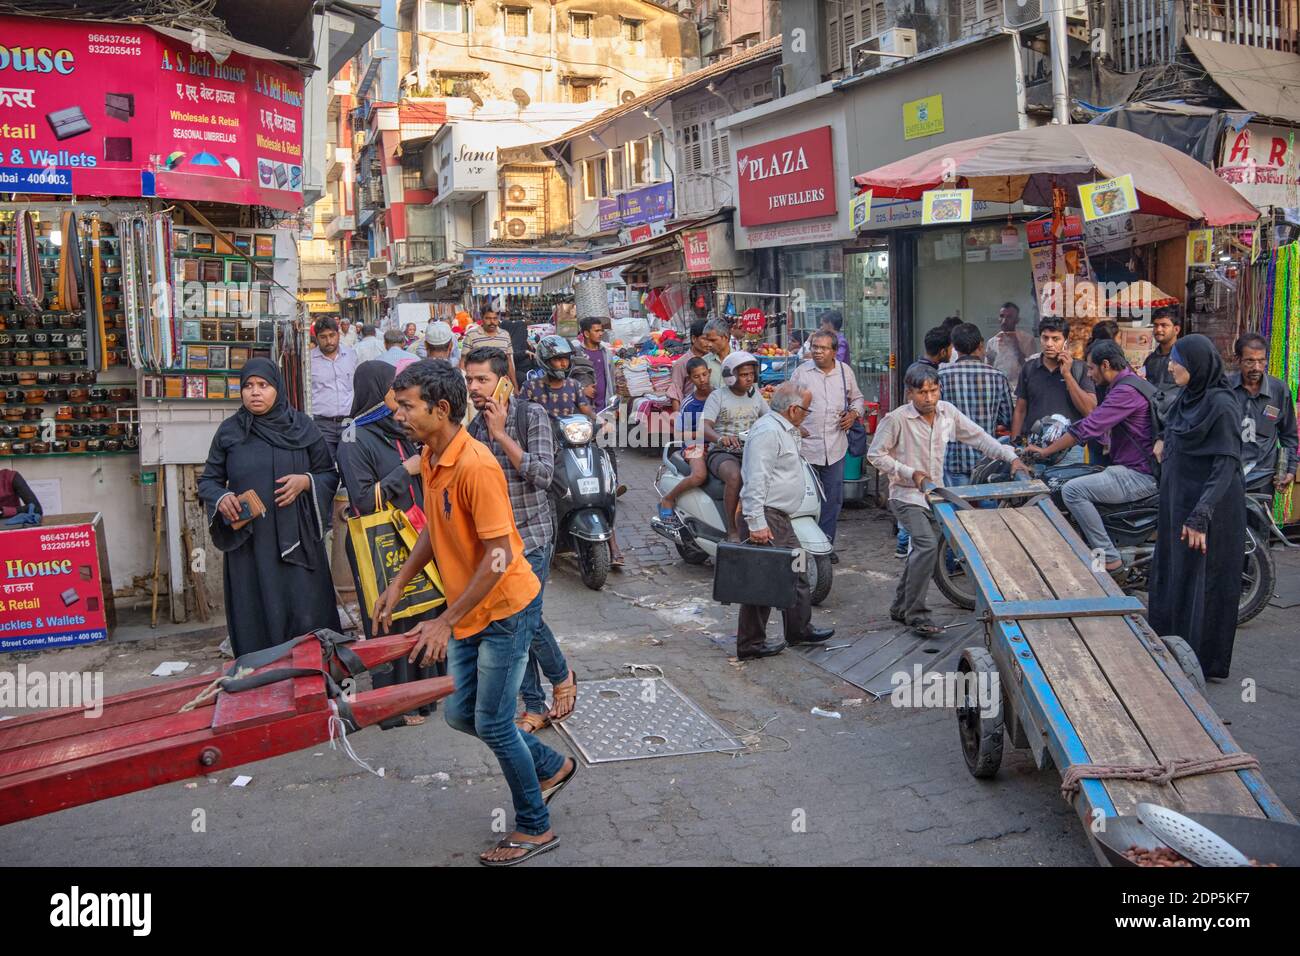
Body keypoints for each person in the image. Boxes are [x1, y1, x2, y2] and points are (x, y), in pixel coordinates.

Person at [377, 359, 576, 866]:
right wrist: (399, 583)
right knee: (461, 714)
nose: (398, 413)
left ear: (441, 409)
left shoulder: (476, 464)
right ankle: (550, 766)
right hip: (470, 608)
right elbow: (434, 530)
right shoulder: (431, 454)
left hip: (506, 608)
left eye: (407, 406)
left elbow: (500, 556)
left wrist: (443, 620)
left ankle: (535, 826)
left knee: (491, 722)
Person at [463, 346, 578, 735]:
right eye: (470, 380)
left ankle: (545, 692)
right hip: (498, 543)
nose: (475, 388)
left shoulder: (532, 416)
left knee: (520, 620)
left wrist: (501, 436)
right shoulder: (475, 426)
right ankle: (544, 692)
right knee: (518, 620)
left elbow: (544, 474)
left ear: (504, 383)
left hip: (532, 535)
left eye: (482, 379)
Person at [868, 363, 1028, 636]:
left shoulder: (947, 414)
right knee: (927, 546)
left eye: (933, 391)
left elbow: (979, 438)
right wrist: (909, 472)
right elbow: (876, 455)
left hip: (935, 494)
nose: (929, 398)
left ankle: (899, 606)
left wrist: (1011, 458)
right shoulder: (896, 419)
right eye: (922, 393)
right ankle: (917, 614)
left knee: (922, 550)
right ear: (910, 393)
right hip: (906, 495)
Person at [198, 359, 341, 656]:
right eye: (248, 386)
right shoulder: (230, 432)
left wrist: (305, 482)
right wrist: (222, 498)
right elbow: (209, 481)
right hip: (251, 546)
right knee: (256, 614)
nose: (255, 393)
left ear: (278, 388)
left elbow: (329, 473)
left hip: (298, 545)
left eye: (263, 386)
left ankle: (313, 678)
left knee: (305, 612)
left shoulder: (302, 427)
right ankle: (261, 682)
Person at [335, 360, 441, 728]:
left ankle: (424, 695)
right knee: (387, 618)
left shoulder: (397, 429)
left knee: (422, 611)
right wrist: (405, 471)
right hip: (378, 543)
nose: (397, 399)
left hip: (414, 534)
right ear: (373, 391)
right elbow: (363, 501)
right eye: (390, 391)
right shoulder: (352, 435)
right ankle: (392, 709)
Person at [1148, 335, 1246, 680]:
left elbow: (1225, 463)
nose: (1172, 366)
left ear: (1197, 365)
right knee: (1175, 572)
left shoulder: (1222, 404)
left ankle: (1201, 660)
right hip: (1179, 502)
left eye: (1178, 361)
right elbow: (1169, 431)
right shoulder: (1186, 398)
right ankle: (1171, 648)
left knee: (1204, 581)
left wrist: (1201, 515)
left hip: (1210, 508)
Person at [1026, 340, 1157, 573]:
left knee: (1072, 490)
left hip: (1139, 475)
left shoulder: (1125, 391)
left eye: (1091, 368)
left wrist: (1046, 450)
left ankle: (1108, 556)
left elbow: (1087, 427)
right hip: (1135, 468)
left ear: (1105, 365)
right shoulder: (1132, 384)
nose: (1089, 373)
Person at [734, 382, 836, 660]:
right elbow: (756, 479)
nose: (807, 414)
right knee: (764, 580)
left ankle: (798, 629)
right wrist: (756, 523)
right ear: (793, 409)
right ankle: (751, 644)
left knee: (797, 569)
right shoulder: (768, 432)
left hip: (779, 517)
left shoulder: (782, 429)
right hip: (767, 516)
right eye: (806, 410)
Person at [789, 328, 864, 554]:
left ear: (833, 351)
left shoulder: (845, 372)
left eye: (823, 348)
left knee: (832, 501)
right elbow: (786, 403)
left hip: (835, 447)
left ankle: (825, 547)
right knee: (804, 499)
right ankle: (804, 545)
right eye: (814, 348)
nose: (818, 352)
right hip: (806, 448)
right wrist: (795, 426)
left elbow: (857, 398)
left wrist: (853, 414)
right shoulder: (801, 373)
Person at [1011, 316, 1096, 463]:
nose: (1049, 344)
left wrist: (1067, 375)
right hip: (1033, 447)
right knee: (1036, 486)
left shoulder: (1080, 368)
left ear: (1066, 341)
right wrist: (1014, 445)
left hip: (1069, 451)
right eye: (1045, 338)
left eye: (1055, 339)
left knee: (1069, 487)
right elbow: (1020, 410)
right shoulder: (1029, 368)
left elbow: (1089, 410)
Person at [701, 350, 767, 540]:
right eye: (744, 375)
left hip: (751, 450)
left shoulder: (756, 395)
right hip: (722, 452)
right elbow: (705, 426)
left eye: (751, 374)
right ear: (731, 376)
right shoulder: (718, 396)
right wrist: (721, 439)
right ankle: (732, 528)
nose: (749, 379)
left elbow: (769, 417)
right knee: (735, 476)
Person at [938, 323, 1013, 487]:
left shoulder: (941, 376)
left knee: (957, 508)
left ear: (954, 348)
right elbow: (1008, 418)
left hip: (953, 458)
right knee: (988, 510)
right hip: (988, 460)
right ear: (981, 344)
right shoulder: (997, 377)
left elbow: (936, 419)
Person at [1230, 332, 1298, 493]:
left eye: (1261, 361)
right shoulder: (1224, 389)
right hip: (1228, 476)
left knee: (1260, 518)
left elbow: (1289, 435)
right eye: (1249, 361)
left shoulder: (1279, 390)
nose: (1256, 367)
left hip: (1263, 480)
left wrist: (1290, 469)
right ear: (1237, 360)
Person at [657, 357, 714, 523]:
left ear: (709, 373)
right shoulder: (689, 403)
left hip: (718, 444)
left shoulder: (719, 395)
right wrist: (705, 434)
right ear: (690, 379)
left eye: (704, 374)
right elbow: (682, 435)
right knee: (699, 476)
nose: (702, 379)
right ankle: (668, 499)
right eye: (697, 376)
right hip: (694, 446)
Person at [308, 315, 356, 460]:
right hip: (321, 424)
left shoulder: (351, 355)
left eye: (332, 335)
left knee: (351, 461)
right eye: (323, 337)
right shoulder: (309, 361)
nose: (329, 341)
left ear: (338, 334)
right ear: (316, 338)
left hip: (349, 422)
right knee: (326, 463)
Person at [521, 336, 592, 420]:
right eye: (558, 359)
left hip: (569, 431)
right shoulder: (530, 387)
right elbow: (521, 416)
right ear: (545, 361)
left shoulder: (574, 385)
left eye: (566, 359)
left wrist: (602, 423)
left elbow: (586, 410)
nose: (564, 364)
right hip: (541, 432)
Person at [668, 319, 720, 414]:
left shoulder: (714, 359)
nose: (709, 344)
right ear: (694, 339)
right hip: (692, 410)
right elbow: (675, 394)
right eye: (705, 339)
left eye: (711, 340)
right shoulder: (682, 363)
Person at [461, 306, 517, 388]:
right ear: (482, 317)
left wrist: (515, 386)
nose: (492, 322)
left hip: (502, 386)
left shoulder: (505, 335)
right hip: (480, 385)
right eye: (488, 318)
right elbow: (463, 362)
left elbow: (508, 362)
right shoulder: (471, 335)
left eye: (495, 318)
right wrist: (466, 385)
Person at [569, 317, 616, 413]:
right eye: (597, 331)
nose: (601, 333)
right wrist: (582, 390)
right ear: (586, 334)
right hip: (583, 408)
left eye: (601, 330)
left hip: (605, 407)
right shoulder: (576, 353)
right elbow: (566, 380)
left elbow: (611, 378)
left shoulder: (606, 353)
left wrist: (614, 403)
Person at [985, 302, 1035, 387]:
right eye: (1002, 316)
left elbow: (1030, 369)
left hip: (1019, 388)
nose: (1004, 320)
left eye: (1009, 317)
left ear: (1017, 320)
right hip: (998, 387)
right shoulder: (992, 342)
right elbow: (988, 369)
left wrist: (1016, 345)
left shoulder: (1027, 340)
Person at [1143, 306, 1182, 387]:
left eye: (1164, 325)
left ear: (1176, 330)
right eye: (1156, 325)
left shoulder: (1184, 358)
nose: (1158, 329)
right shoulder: (1150, 360)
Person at [702, 316, 734, 388]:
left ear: (726, 337)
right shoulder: (704, 363)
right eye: (707, 340)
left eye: (713, 340)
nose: (709, 344)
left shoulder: (740, 360)